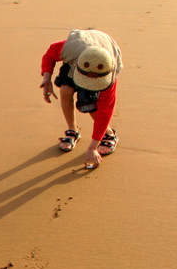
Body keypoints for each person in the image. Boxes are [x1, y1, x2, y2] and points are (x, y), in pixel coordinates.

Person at [40, 29, 123, 168]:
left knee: (89, 105)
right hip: (82, 57)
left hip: (102, 60)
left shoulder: (110, 75)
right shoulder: (70, 49)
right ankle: (73, 130)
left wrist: (93, 147)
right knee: (65, 90)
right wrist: (47, 79)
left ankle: (109, 134)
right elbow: (49, 55)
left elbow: (105, 110)